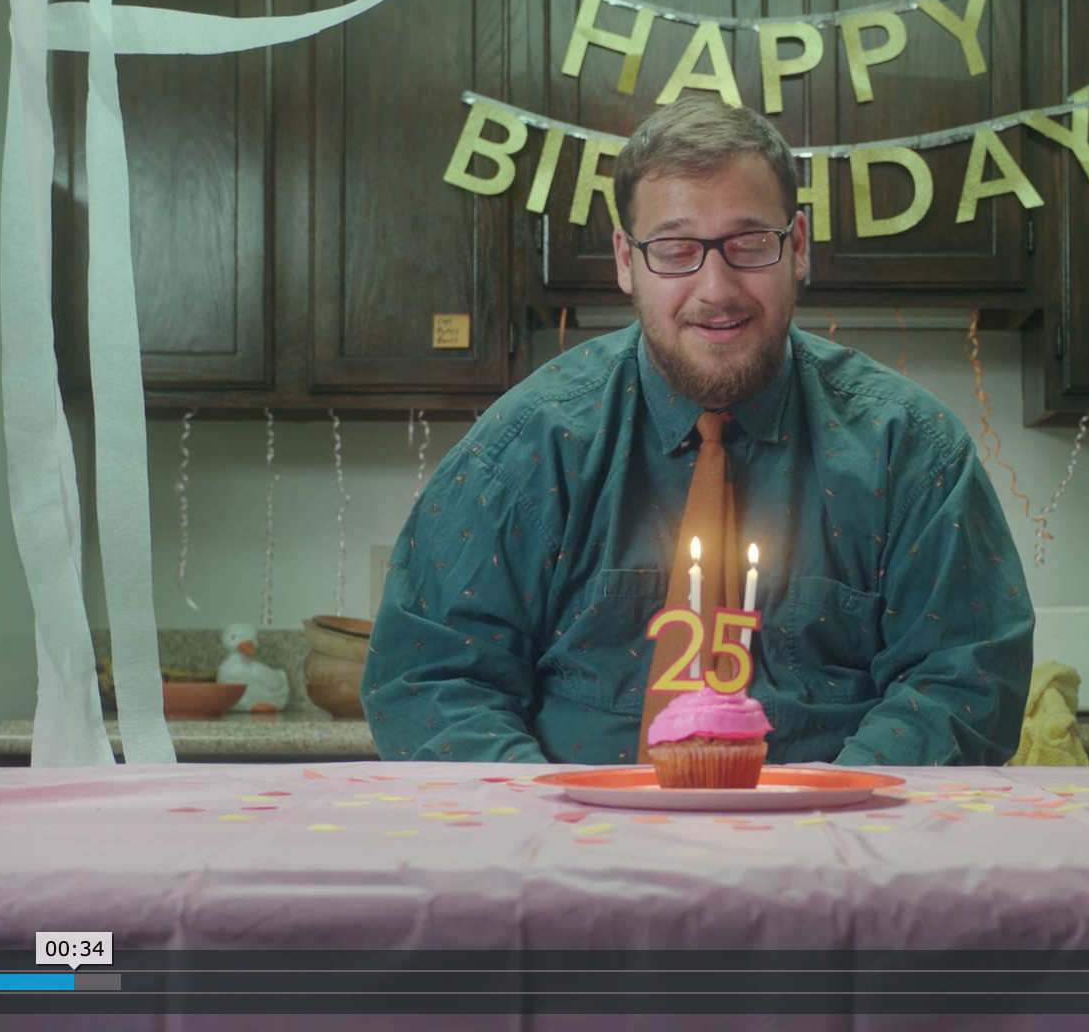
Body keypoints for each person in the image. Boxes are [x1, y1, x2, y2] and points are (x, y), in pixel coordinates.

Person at [363, 95, 1033, 767]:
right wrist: (562, 821)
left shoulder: (911, 452)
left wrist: (826, 818)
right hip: (574, 827)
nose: (716, 288)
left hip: (832, 827)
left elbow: (964, 682)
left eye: (750, 243)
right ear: (626, 260)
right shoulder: (524, 449)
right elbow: (431, 681)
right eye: (676, 249)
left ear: (797, 247)